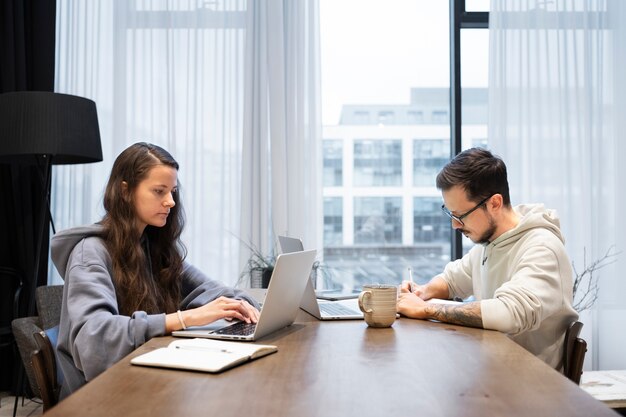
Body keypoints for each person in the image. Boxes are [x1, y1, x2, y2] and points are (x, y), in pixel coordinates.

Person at [51, 142, 260, 398]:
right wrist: (184, 319)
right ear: (125, 191)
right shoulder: (90, 253)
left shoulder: (153, 248)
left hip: (145, 381)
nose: (170, 201)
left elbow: (214, 292)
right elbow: (96, 339)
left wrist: (240, 304)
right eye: (159, 191)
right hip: (100, 398)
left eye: (172, 191)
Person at [397, 148, 578, 370]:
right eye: (450, 214)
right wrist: (422, 292)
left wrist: (426, 310)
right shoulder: (491, 243)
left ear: (494, 203)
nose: (454, 225)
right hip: (495, 370)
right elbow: (454, 279)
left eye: (460, 216)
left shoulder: (541, 247)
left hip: (532, 387)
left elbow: (509, 313)